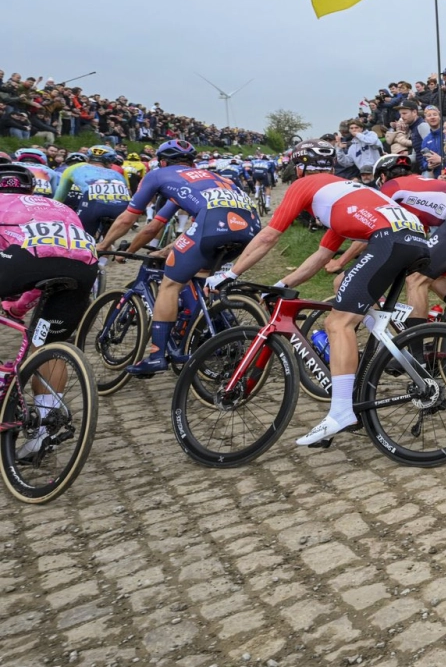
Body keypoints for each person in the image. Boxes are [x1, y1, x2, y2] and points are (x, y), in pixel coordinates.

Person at [209, 141, 432, 445]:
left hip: (390, 240)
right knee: (350, 296)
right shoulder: (342, 193)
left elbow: (269, 236)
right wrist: (282, 284)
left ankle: (341, 411)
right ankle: (393, 349)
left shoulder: (305, 185)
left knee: (338, 323)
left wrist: (230, 273)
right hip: (412, 237)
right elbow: (322, 256)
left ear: (299, 167)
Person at [96, 139, 260, 376]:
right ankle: (209, 328)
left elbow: (131, 220)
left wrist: (105, 245)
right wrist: (168, 248)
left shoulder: (159, 175)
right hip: (249, 229)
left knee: (170, 284)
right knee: (199, 273)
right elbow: (171, 227)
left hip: (212, 226)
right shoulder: (210, 178)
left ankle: (156, 356)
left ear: (162, 162)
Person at [0, 162, 98, 457]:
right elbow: (52, 256)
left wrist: (15, 307)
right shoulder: (57, 205)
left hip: (27, 261)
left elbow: (29, 264)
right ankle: (44, 425)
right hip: (84, 268)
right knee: (48, 345)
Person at [372, 154, 446, 321]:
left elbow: (375, 226)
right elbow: (415, 235)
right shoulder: (417, 184)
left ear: (383, 176)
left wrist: (341, 261)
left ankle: (414, 344)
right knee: (431, 274)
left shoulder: (391, 187)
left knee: (415, 279)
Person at [53, 144, 130, 239]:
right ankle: (107, 248)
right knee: (106, 241)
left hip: (93, 206)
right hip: (122, 209)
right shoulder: (118, 175)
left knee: (80, 238)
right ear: (109, 161)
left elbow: (59, 198)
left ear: (88, 158)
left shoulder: (73, 168)